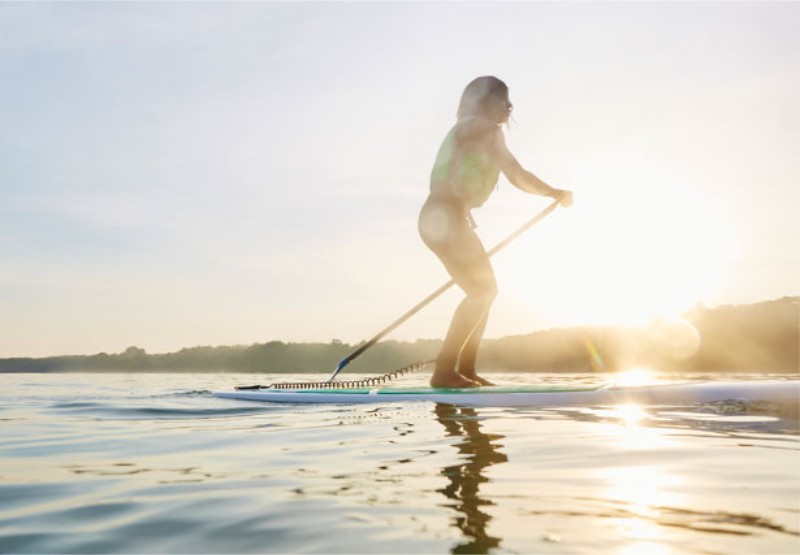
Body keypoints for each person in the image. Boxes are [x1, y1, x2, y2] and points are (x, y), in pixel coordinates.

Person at [418, 76, 573, 388]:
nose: (510, 106)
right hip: (444, 217)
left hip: (440, 218)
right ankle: (445, 371)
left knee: (484, 293)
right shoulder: (484, 128)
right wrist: (554, 192)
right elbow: (516, 174)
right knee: (483, 292)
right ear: (487, 101)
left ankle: (465, 370)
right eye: (505, 99)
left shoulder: (471, 127)